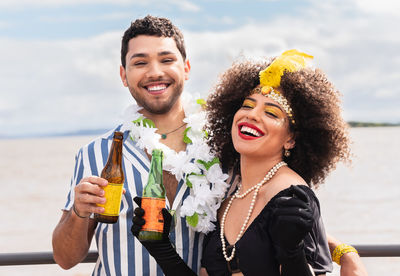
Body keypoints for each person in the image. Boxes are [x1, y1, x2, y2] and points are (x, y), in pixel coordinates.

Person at [52, 15, 366, 276]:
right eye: (140, 62)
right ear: (124, 75)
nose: (155, 72)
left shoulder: (226, 146)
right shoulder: (97, 155)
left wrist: (343, 251)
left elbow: (269, 214)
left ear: (185, 68)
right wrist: (79, 213)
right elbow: (66, 259)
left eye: (166, 59)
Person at [131, 50, 367, 276]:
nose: (252, 115)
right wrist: (162, 249)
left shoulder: (292, 197)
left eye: (272, 113)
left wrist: (292, 255)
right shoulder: (230, 198)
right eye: (247, 105)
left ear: (291, 139)